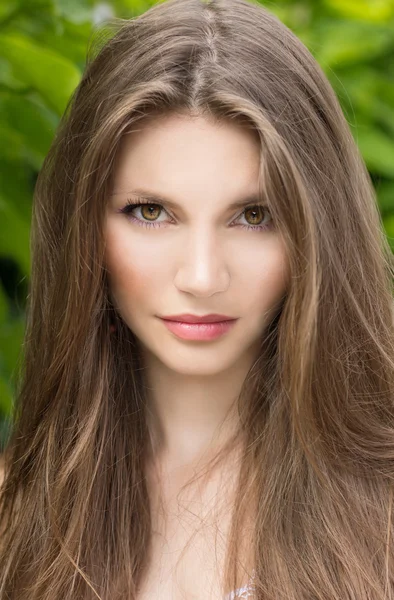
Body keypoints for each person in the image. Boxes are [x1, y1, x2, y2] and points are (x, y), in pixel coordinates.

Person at [0, 0, 393, 598]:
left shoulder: (380, 521)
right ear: (83, 230)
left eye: (254, 216)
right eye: (151, 212)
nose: (203, 276)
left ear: (319, 232)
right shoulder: (13, 519)